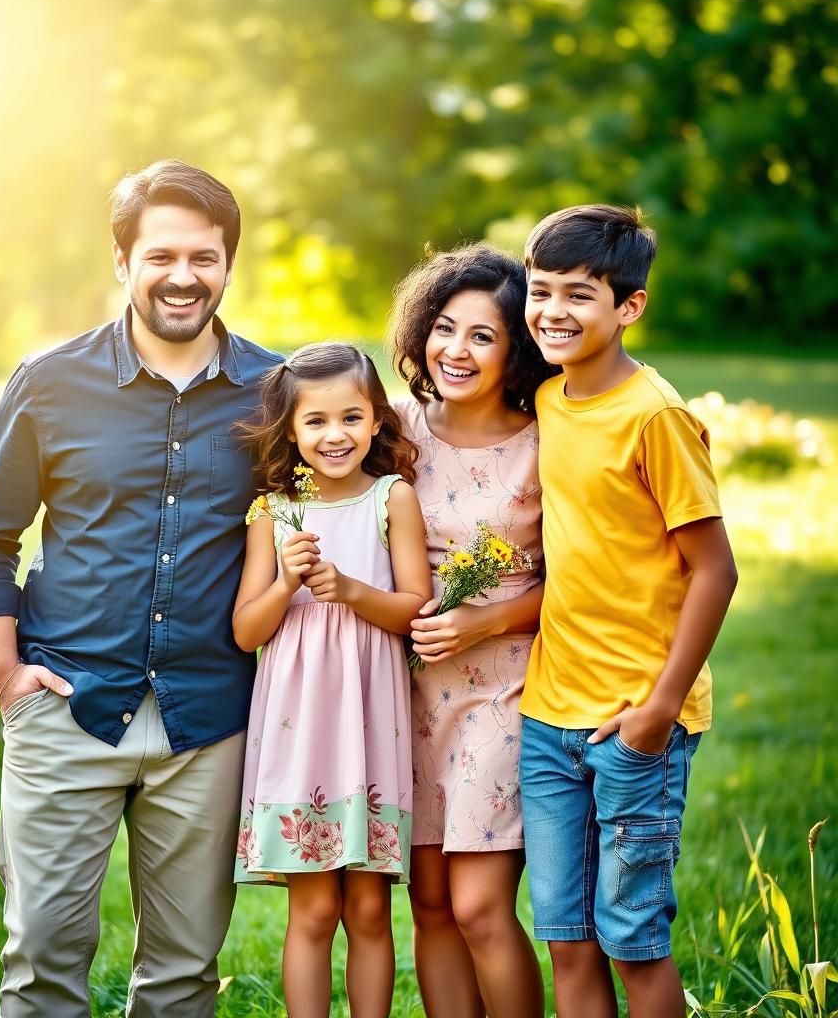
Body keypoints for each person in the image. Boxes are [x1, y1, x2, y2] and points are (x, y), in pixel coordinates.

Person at [0, 159, 283, 1017]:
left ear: (228, 264)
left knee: (183, 975)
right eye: (162, 256)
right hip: (67, 703)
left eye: (204, 258)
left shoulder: (276, 390)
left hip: (208, 720)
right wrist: (7, 680)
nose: (183, 277)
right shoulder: (50, 381)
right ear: (123, 261)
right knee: (41, 963)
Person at [518, 205, 739, 1018]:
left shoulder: (657, 416)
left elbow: (716, 571)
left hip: (636, 723)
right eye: (541, 292)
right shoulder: (546, 400)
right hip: (548, 717)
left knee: (632, 939)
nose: (554, 312)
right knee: (567, 939)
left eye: (580, 294)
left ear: (629, 307)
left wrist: (660, 709)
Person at [231, 342, 432, 1018]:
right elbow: (246, 631)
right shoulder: (274, 512)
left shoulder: (391, 498)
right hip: (299, 728)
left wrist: (348, 589)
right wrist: (288, 581)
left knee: (370, 908)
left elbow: (414, 608)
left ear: (377, 420)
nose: (334, 434)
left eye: (351, 417)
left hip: (369, 726)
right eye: (315, 421)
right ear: (290, 431)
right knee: (313, 909)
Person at [385, 243, 556, 1017]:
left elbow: (583, 583)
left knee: (481, 906)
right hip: (404, 688)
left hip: (505, 690)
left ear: (515, 347)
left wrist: (486, 617)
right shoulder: (394, 429)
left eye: (482, 336)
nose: (456, 350)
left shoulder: (543, 444)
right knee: (428, 906)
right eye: (445, 328)